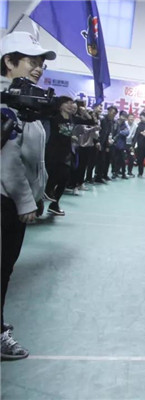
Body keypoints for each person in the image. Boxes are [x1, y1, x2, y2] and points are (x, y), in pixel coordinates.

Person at [1, 31, 56, 360]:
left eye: (41, 64)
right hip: (5, 202)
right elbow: (8, 163)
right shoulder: (7, 105)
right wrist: (25, 202)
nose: (38, 68)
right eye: (31, 61)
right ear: (9, 61)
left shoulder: (22, 101)